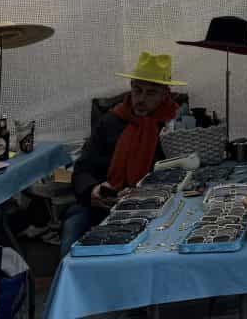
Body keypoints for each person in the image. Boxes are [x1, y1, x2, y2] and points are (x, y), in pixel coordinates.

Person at [61, 52, 186, 255]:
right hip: (103, 206)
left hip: (157, 207)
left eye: (151, 93)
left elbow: (182, 172)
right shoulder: (110, 121)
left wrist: (142, 194)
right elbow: (82, 170)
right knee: (72, 231)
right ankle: (71, 284)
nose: (141, 99)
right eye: (137, 90)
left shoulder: (175, 124)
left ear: (166, 94)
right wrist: (94, 190)